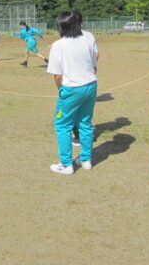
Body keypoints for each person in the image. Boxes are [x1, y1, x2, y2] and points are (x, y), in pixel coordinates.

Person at [47, 10, 99, 175]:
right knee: (85, 123)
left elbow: (57, 76)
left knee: (62, 125)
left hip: (71, 88)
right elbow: (94, 63)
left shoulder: (58, 46)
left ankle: (66, 164)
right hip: (90, 85)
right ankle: (86, 160)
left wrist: (61, 91)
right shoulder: (87, 40)